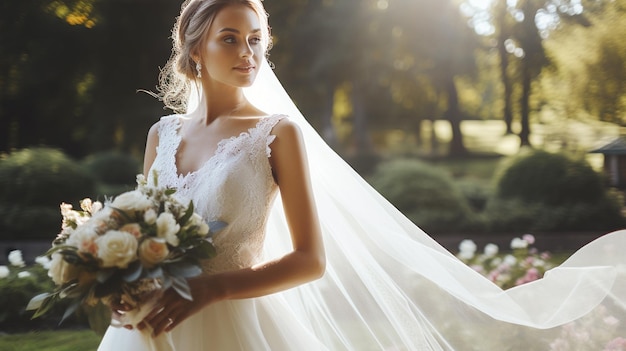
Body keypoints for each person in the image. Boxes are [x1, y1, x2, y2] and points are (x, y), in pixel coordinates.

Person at [99, 0, 626, 350]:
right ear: (196, 49)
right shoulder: (161, 135)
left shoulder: (275, 134)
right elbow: (145, 235)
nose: (248, 52)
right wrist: (114, 277)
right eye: (230, 39)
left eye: (257, 39)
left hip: (235, 325)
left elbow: (310, 260)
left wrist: (214, 291)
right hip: (152, 325)